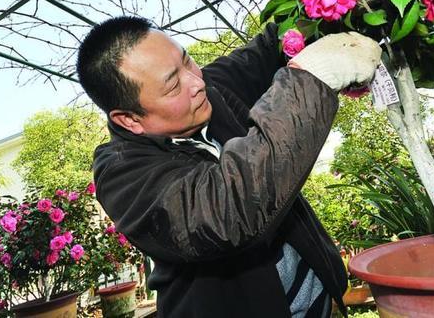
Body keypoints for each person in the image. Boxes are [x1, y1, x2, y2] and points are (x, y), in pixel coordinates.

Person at [76, 16, 382, 318]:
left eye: (188, 61)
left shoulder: (210, 90)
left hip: (321, 304)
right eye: (172, 86)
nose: (197, 82)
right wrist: (311, 78)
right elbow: (227, 211)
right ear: (129, 119)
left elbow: (270, 46)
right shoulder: (122, 174)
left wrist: (331, 0)